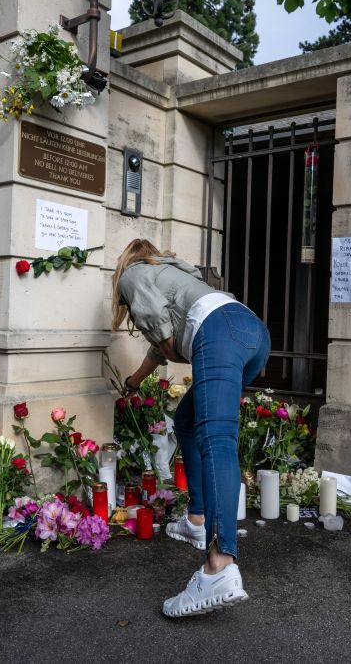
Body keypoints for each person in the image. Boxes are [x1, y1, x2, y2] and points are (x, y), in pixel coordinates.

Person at [111, 238, 270, 617]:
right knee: (186, 420)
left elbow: (167, 346)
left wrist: (181, 349)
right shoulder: (174, 274)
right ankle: (198, 518)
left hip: (219, 334)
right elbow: (160, 347)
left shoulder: (133, 276)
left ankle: (219, 566)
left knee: (217, 440)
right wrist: (134, 381)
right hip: (252, 331)